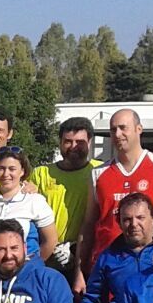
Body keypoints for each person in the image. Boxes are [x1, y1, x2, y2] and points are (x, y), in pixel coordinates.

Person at [80, 108, 153, 273]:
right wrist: (80, 271)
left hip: (152, 265)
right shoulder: (98, 173)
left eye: (123, 127)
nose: (118, 134)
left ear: (139, 129)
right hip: (109, 264)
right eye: (113, 130)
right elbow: (88, 225)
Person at [77, 192, 153, 303]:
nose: (134, 224)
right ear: (119, 223)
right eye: (127, 219)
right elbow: (93, 297)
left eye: (140, 218)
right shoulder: (109, 257)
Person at [0, 147, 58, 272]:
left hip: (22, 272)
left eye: (12, 169)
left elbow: (51, 241)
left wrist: (32, 266)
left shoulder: (35, 201)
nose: (6, 174)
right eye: (1, 168)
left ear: (22, 171)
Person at [33, 116, 102, 275]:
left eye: (79, 142)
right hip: (48, 256)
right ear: (60, 142)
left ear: (90, 142)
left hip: (86, 255)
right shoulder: (41, 174)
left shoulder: (100, 172)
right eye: (68, 141)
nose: (73, 146)